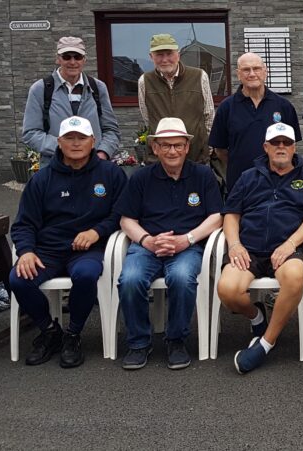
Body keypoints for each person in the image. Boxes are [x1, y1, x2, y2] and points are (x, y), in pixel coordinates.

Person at [9, 116, 126, 368]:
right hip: (47, 250)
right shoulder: (42, 179)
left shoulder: (111, 174)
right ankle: (50, 331)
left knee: (86, 274)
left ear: (93, 141)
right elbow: (24, 223)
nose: (75, 143)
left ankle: (73, 334)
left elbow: (122, 213)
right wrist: (26, 251)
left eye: (81, 138)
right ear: (59, 142)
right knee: (18, 278)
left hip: (89, 249)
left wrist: (97, 231)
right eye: (69, 138)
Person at [114, 118, 223, 370]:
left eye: (177, 145)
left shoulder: (203, 175)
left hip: (188, 244)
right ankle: (139, 342)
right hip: (146, 245)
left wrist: (188, 239)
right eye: (165, 145)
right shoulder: (141, 178)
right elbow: (126, 219)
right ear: (155, 148)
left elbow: (217, 216)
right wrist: (147, 241)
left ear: (187, 147)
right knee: (129, 279)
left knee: (183, 278)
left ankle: (176, 340)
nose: (172, 151)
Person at [216, 122, 303, 374]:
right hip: (249, 249)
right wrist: (234, 244)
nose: (281, 147)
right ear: (266, 147)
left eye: (286, 143)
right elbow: (231, 214)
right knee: (228, 290)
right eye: (276, 143)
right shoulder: (247, 177)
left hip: (285, 250)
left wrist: (291, 243)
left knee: (296, 276)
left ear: (294, 147)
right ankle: (257, 317)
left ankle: (265, 342)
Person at [209, 52, 301, 195]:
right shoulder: (226, 107)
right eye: (246, 70)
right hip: (240, 184)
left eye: (256, 68)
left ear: (265, 72)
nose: (252, 74)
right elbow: (220, 150)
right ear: (238, 74)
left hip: (278, 184)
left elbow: (292, 146)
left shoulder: (284, 106)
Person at [22, 36, 120, 167]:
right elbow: (31, 132)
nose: (72, 62)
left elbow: (111, 130)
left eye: (77, 57)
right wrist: (66, 149)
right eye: (67, 56)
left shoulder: (98, 88)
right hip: (55, 168)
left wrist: (102, 154)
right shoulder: (40, 89)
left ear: (84, 59)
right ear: (58, 59)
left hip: (93, 168)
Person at [138, 34, 215, 165]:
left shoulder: (199, 76)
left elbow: (209, 116)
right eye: (159, 55)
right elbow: (148, 118)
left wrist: (206, 145)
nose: (165, 59)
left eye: (169, 53)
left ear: (178, 54)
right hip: (160, 159)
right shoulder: (144, 81)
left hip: (196, 156)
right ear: (151, 57)